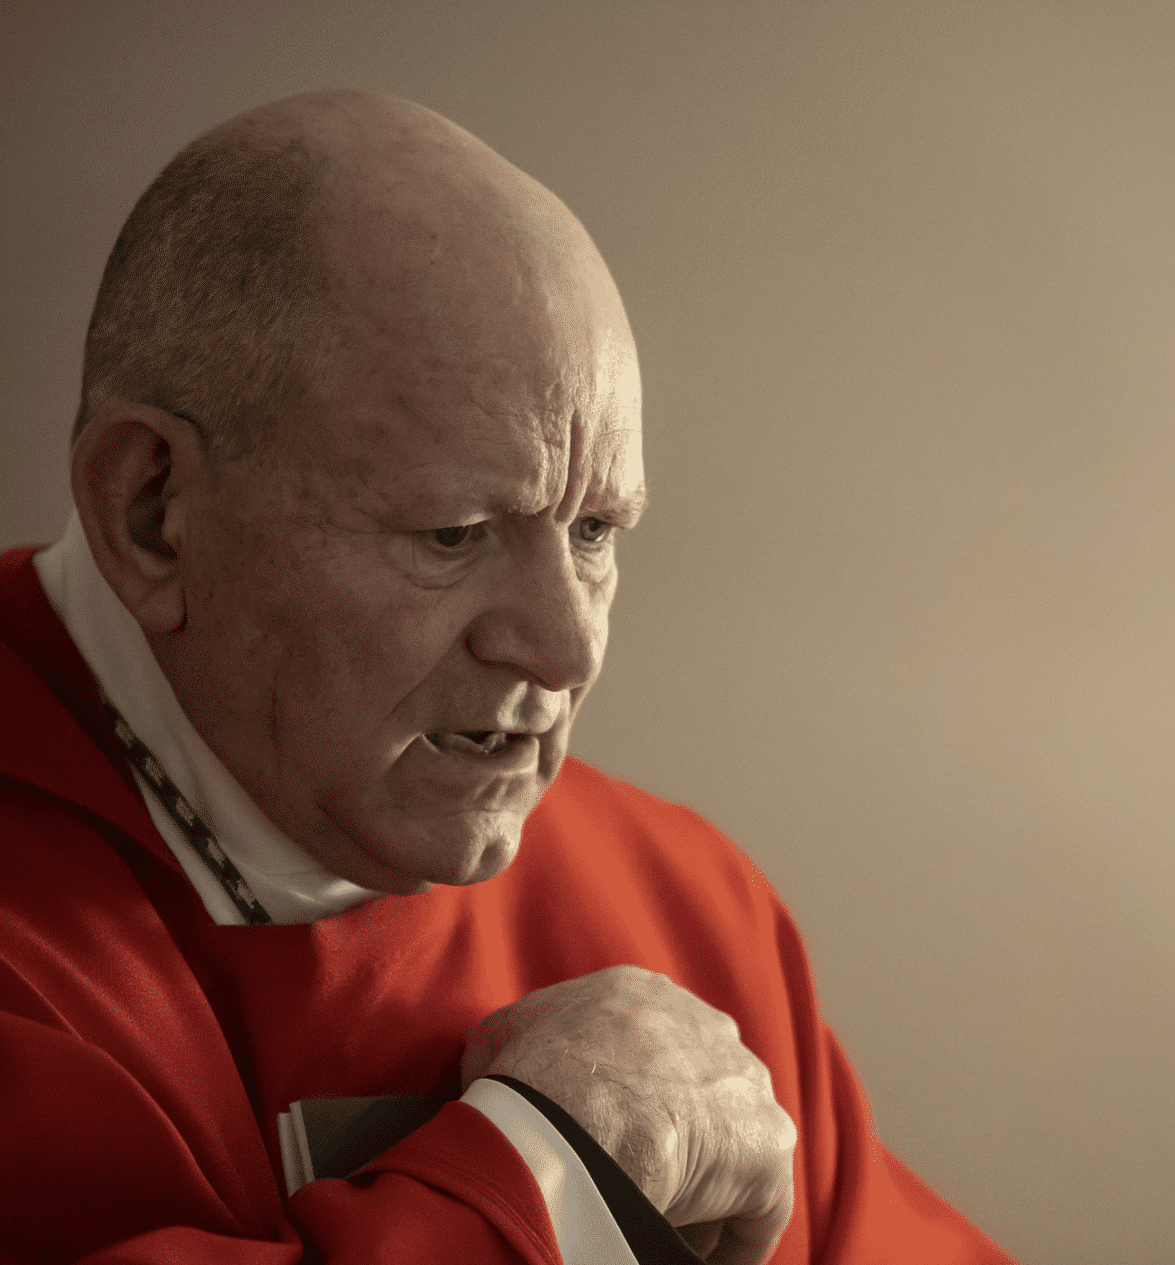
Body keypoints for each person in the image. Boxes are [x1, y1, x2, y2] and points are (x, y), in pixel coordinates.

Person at [0, 89, 1013, 1265]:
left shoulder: (686, 915)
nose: (565, 649)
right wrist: (552, 1170)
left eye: (593, 531)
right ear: (154, 514)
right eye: (454, 532)